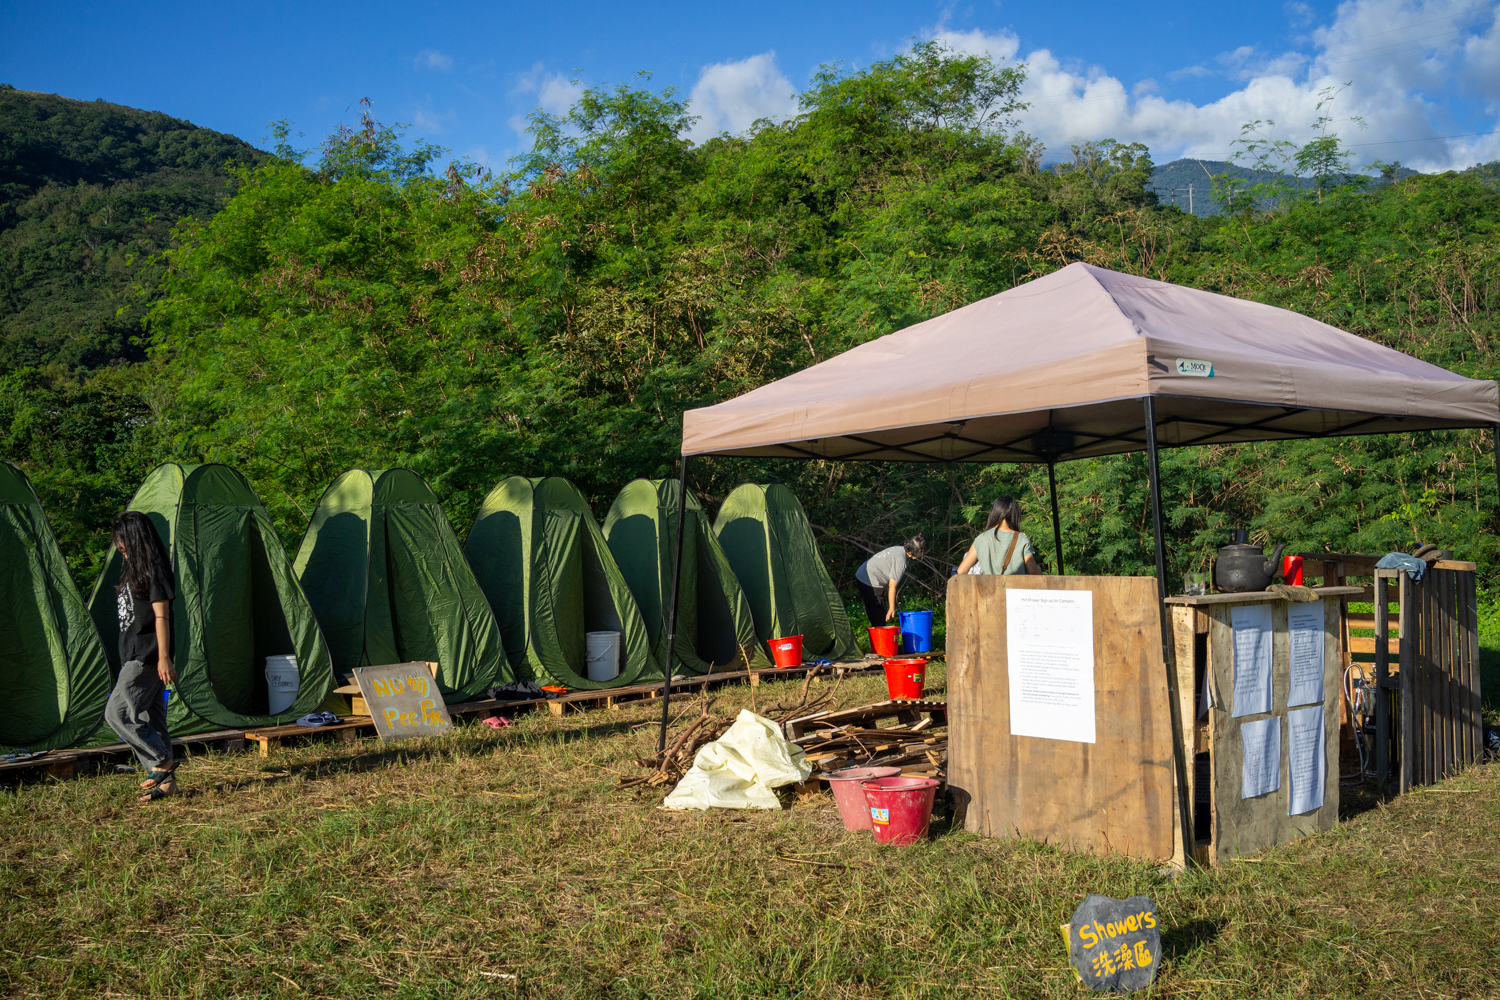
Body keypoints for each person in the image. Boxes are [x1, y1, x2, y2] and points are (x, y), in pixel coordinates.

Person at [103, 511, 179, 804]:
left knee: (117, 713)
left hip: (147, 658)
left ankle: (160, 760)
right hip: (132, 655)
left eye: (122, 542)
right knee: (152, 719)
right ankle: (168, 784)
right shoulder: (131, 571)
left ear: (135, 539)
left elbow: (162, 616)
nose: (119, 547)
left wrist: (163, 657)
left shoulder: (155, 569)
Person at [956, 497, 1043, 576]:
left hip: (990, 592)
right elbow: (1034, 571)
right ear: (1015, 515)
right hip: (1016, 592)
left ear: (994, 513)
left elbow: (961, 571)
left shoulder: (981, 539)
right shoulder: (1021, 539)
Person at [854, 534, 926, 626]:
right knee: (879, 615)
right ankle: (880, 638)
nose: (921, 555)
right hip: (869, 579)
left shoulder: (899, 549)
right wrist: (892, 607)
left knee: (876, 613)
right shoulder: (901, 560)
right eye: (922, 553)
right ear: (919, 551)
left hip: (863, 574)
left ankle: (878, 635)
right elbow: (892, 585)